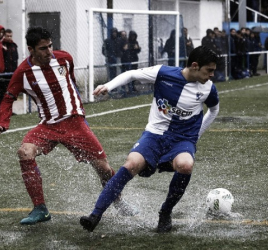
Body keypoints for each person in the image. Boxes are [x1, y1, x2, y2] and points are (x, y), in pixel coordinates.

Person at [0, 26, 137, 225]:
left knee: (103, 168)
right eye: (43, 48)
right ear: (31, 50)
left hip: (75, 123)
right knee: (25, 152)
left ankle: (118, 201)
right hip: (48, 126)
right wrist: (3, 122)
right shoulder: (23, 73)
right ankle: (40, 209)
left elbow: (71, 82)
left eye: (50, 46)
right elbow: (8, 97)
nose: (49, 52)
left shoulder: (64, 59)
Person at [80, 46, 219, 233]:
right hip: (155, 134)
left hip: (182, 139)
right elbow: (131, 74)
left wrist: (195, 137)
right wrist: (108, 86)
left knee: (186, 165)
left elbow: (214, 110)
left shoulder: (208, 88)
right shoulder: (163, 73)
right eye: (209, 70)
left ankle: (165, 212)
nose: (211, 75)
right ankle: (95, 215)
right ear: (195, 66)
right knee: (131, 164)